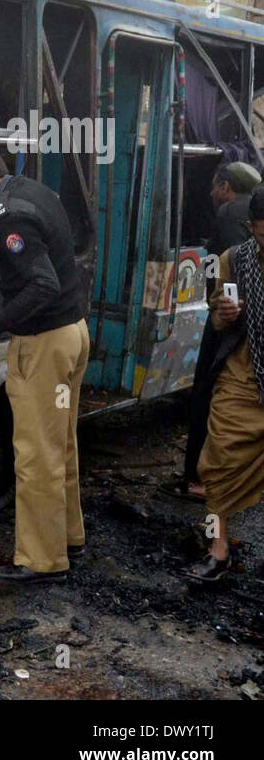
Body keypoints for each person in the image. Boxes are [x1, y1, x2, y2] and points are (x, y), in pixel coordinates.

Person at [0, 143, 89, 584]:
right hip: (73, 332)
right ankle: (68, 537)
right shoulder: (28, 191)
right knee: (60, 446)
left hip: (43, 343)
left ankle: (42, 562)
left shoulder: (9, 216)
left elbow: (41, 284)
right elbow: (23, 230)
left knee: (34, 455)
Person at [168, 161, 262, 503]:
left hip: (230, 324)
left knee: (207, 395)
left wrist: (220, 302)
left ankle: (198, 478)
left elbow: (225, 268)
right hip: (245, 324)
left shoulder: (228, 214)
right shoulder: (250, 209)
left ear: (226, 186)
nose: (210, 193)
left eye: (214, 186)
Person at [185, 187, 264, 583]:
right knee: (216, 465)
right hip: (244, 376)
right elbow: (217, 322)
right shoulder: (236, 260)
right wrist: (225, 313)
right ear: (251, 228)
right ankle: (218, 551)